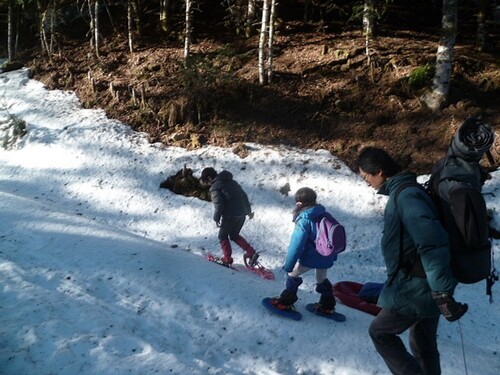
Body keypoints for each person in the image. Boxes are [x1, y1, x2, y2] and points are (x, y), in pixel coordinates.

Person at [356, 147, 468, 375]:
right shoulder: (407, 191)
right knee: (424, 346)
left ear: (379, 172)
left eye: (366, 177)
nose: (367, 182)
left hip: (417, 288)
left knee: (380, 332)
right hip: (425, 284)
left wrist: (441, 291)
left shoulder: (407, 196)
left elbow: (431, 241)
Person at [270, 187, 337, 314]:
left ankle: (286, 302)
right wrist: (332, 256)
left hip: (312, 257)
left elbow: (296, 245)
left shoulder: (304, 219)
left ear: (299, 203)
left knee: (292, 275)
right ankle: (327, 305)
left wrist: (289, 265)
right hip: (327, 255)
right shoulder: (325, 214)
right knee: (322, 279)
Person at [200, 167, 259, 266]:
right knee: (234, 235)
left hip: (230, 216)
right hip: (242, 214)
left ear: (210, 178)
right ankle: (251, 252)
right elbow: (244, 197)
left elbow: (219, 205)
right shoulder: (233, 182)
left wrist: (216, 218)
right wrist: (248, 211)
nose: (208, 184)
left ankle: (227, 258)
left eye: (207, 181)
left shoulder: (215, 187)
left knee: (222, 235)